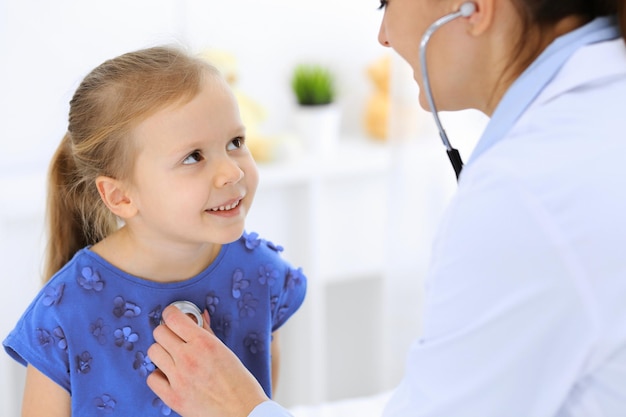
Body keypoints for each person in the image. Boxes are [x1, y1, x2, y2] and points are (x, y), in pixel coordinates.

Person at [144, 0, 626, 416]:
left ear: (474, 8)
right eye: (191, 157)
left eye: (385, 3)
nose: (384, 35)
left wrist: (241, 410)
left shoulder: (525, 194)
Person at [2, 46, 307, 416]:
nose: (233, 172)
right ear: (120, 196)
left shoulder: (262, 274)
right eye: (193, 156)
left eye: (235, 143)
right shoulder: (65, 311)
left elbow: (257, 403)